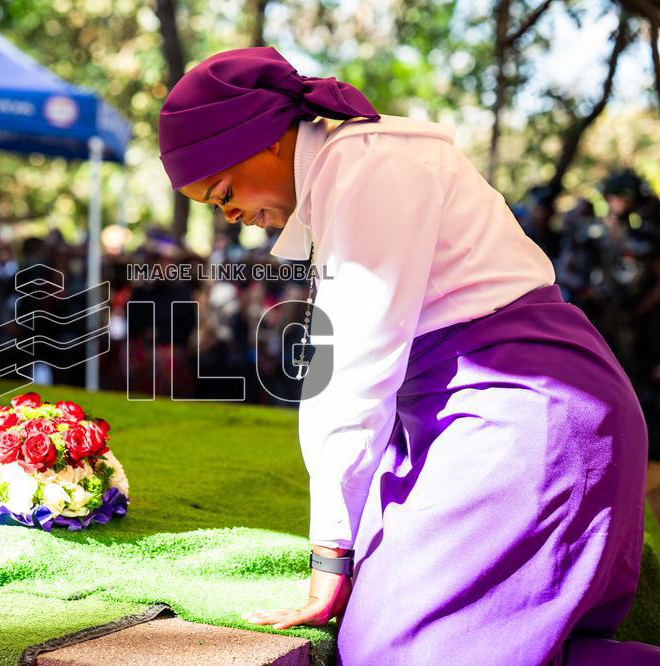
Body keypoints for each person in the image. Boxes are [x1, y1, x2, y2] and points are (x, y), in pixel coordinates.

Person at [158, 47, 655, 664]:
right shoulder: (353, 166)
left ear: (266, 140)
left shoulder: (365, 163)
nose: (229, 214)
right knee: (386, 634)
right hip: (472, 413)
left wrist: (329, 550)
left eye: (223, 191)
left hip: (530, 412)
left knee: (401, 651)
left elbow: (351, 371)